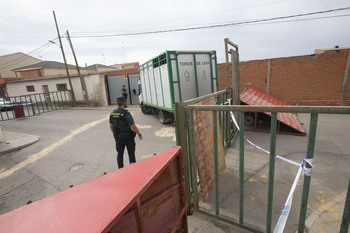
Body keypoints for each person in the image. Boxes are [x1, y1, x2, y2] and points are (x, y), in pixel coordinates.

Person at [109, 96, 143, 168]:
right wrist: (139, 134)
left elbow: (111, 126)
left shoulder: (112, 113)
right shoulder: (126, 113)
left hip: (118, 136)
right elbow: (133, 126)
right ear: (124, 103)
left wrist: (114, 134)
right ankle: (133, 169)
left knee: (120, 154)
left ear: (116, 103)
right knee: (131, 154)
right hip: (128, 137)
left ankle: (120, 169)